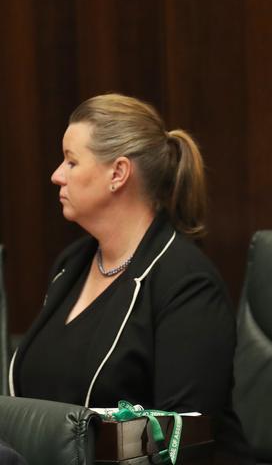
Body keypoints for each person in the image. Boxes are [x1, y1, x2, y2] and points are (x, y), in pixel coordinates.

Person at [9, 93, 252, 464]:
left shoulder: (186, 283)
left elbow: (183, 439)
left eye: (71, 162)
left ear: (118, 174)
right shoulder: (70, 264)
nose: (56, 174)